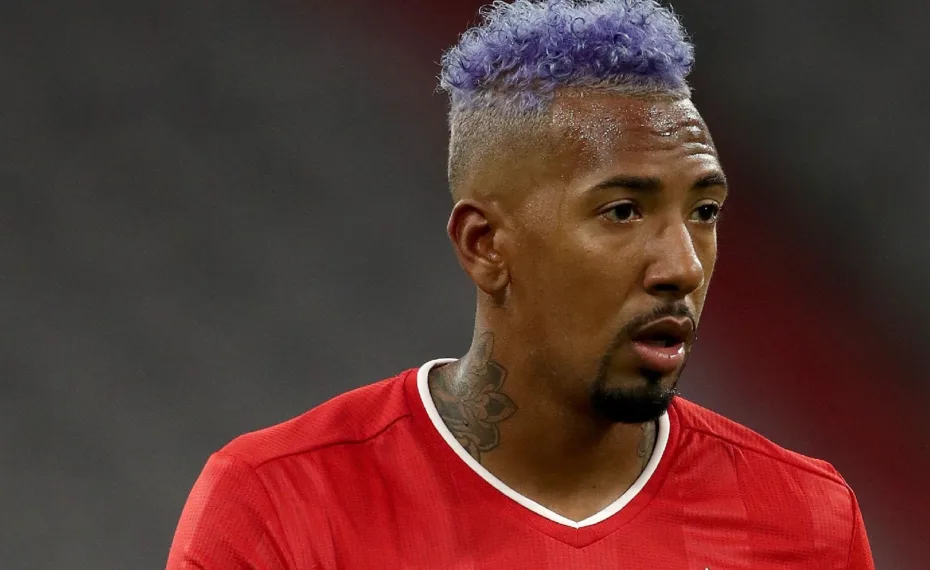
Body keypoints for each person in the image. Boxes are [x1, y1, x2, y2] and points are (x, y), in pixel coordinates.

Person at [166, 1, 875, 568]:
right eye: (622, 211)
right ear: (485, 245)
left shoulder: (805, 520)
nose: (683, 266)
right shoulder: (278, 505)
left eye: (705, 211)